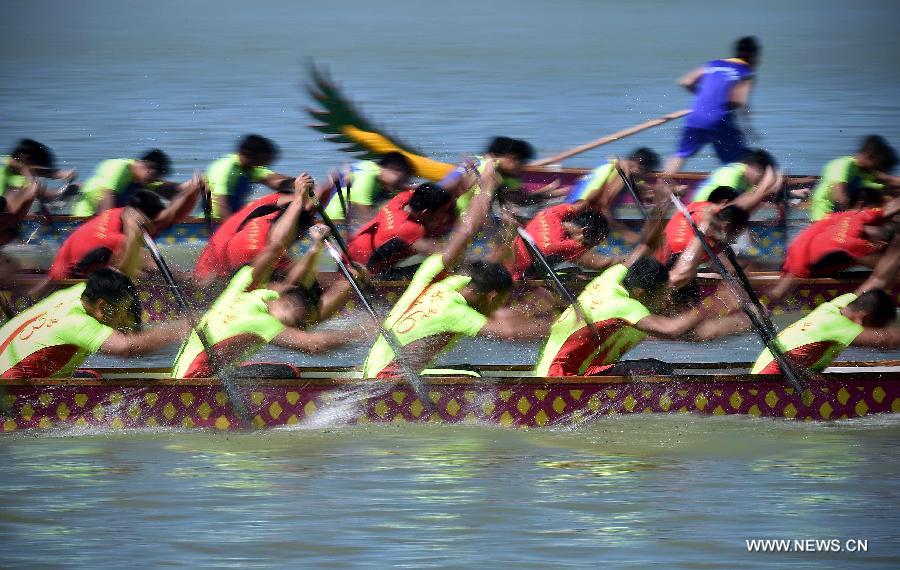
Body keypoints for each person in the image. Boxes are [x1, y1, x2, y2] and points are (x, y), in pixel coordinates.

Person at [362, 160, 549, 379]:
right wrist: (561, 327)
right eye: (500, 300)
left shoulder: (433, 278)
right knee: (474, 378)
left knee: (469, 371)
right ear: (491, 296)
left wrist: (506, 231)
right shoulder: (456, 313)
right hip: (386, 383)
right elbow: (507, 332)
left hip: (374, 367)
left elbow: (470, 242)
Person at [171, 190, 363, 378]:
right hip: (196, 378)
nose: (292, 325)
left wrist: (315, 247)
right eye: (294, 319)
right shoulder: (264, 322)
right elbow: (315, 345)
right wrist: (362, 332)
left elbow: (290, 279)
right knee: (290, 372)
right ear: (285, 301)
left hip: (182, 371)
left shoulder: (240, 289)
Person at [0, 217, 189, 378]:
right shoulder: (78, 323)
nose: (120, 325)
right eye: (119, 315)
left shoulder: (75, 292)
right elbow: (126, 348)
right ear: (102, 306)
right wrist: (182, 327)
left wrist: (132, 231)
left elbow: (117, 272)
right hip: (8, 393)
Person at [533, 239, 737, 377]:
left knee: (649, 366)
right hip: (557, 379)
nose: (665, 299)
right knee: (656, 369)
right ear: (640, 293)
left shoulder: (612, 276)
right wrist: (714, 303)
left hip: (559, 371)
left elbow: (644, 245)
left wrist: (658, 212)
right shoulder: (626, 307)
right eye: (661, 294)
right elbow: (672, 329)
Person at [48, 180, 202, 280]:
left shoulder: (119, 212)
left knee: (136, 267)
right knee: (144, 273)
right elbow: (150, 265)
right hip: (67, 282)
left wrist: (193, 191)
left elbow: (168, 216)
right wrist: (190, 279)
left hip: (65, 268)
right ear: (142, 219)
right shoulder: (117, 239)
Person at [660, 166, 782, 290]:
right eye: (737, 232)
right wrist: (764, 189)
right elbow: (741, 206)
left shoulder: (695, 207)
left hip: (665, 259)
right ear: (724, 202)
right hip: (678, 263)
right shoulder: (713, 212)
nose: (735, 237)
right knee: (745, 263)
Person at [770, 193, 900, 300]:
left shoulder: (856, 215)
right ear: (882, 241)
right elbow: (883, 270)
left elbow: (892, 207)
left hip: (794, 254)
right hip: (799, 269)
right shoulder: (857, 244)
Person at [665, 36, 761, 174]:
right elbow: (739, 100)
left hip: (695, 117)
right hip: (718, 119)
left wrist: (705, 98)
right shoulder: (746, 71)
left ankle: (664, 182)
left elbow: (685, 81)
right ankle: (753, 187)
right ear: (752, 55)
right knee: (741, 158)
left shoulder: (714, 64)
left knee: (681, 154)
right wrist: (746, 129)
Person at [751, 288, 899, 375]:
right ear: (864, 317)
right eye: (876, 326)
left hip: (770, 366)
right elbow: (887, 339)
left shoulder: (842, 303)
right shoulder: (840, 326)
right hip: (769, 377)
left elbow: (866, 294)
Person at [346, 182, 456, 276]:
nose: (444, 217)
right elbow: (441, 254)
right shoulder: (411, 229)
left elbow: (414, 190)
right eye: (442, 213)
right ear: (425, 212)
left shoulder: (401, 199)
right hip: (359, 270)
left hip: (348, 252)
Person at [564, 148, 661, 243]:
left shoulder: (617, 167)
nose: (647, 176)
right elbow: (602, 207)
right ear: (639, 165)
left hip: (569, 211)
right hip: (579, 217)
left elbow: (642, 191)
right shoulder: (623, 171)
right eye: (648, 172)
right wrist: (626, 233)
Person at [504, 201, 614, 280]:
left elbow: (583, 203)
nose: (589, 248)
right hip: (513, 280)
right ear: (585, 232)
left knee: (573, 271)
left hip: (503, 262)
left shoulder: (553, 212)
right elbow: (603, 264)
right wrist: (628, 260)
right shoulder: (570, 246)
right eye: (593, 244)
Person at [809, 135, 899, 221]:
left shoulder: (863, 172)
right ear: (869, 156)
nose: (878, 170)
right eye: (879, 166)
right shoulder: (843, 164)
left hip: (840, 218)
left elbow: (888, 180)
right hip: (823, 219)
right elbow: (840, 198)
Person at [207, 134, 296, 220]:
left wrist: (298, 183)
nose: (266, 163)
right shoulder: (225, 168)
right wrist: (234, 229)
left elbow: (274, 181)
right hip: (217, 221)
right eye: (264, 159)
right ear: (249, 154)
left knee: (288, 198)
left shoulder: (249, 167)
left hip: (236, 217)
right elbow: (220, 204)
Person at [71, 149, 177, 216]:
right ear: (148, 168)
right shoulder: (120, 168)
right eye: (156, 177)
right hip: (88, 217)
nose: (155, 181)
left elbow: (172, 192)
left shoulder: (142, 176)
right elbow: (107, 198)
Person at [323, 152, 413, 223]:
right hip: (336, 222)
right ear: (394, 169)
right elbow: (365, 219)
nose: (400, 185)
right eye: (401, 181)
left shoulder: (371, 168)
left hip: (341, 212)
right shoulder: (367, 178)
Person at [690, 148, 777, 202]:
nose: (761, 179)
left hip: (715, 211)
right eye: (761, 174)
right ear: (753, 167)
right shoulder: (732, 174)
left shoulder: (748, 180)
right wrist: (763, 187)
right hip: (699, 209)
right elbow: (729, 205)